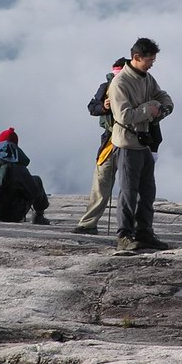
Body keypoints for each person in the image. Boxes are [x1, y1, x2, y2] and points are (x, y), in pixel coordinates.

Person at [109, 37, 174, 252]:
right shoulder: (120, 83)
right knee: (128, 192)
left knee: (147, 192)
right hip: (127, 145)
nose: (152, 63)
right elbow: (124, 115)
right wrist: (150, 109)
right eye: (149, 60)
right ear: (136, 57)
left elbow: (160, 94)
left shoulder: (146, 77)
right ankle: (124, 236)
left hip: (145, 143)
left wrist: (165, 105)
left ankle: (144, 232)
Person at [73, 57, 128, 235]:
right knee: (103, 181)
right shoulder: (105, 87)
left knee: (120, 184)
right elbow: (92, 107)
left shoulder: (135, 86)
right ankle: (89, 224)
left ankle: (91, 224)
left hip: (127, 140)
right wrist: (103, 107)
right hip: (111, 139)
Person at [0, 128, 51, 225]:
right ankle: (38, 217)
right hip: (10, 215)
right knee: (36, 180)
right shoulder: (17, 167)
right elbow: (33, 191)